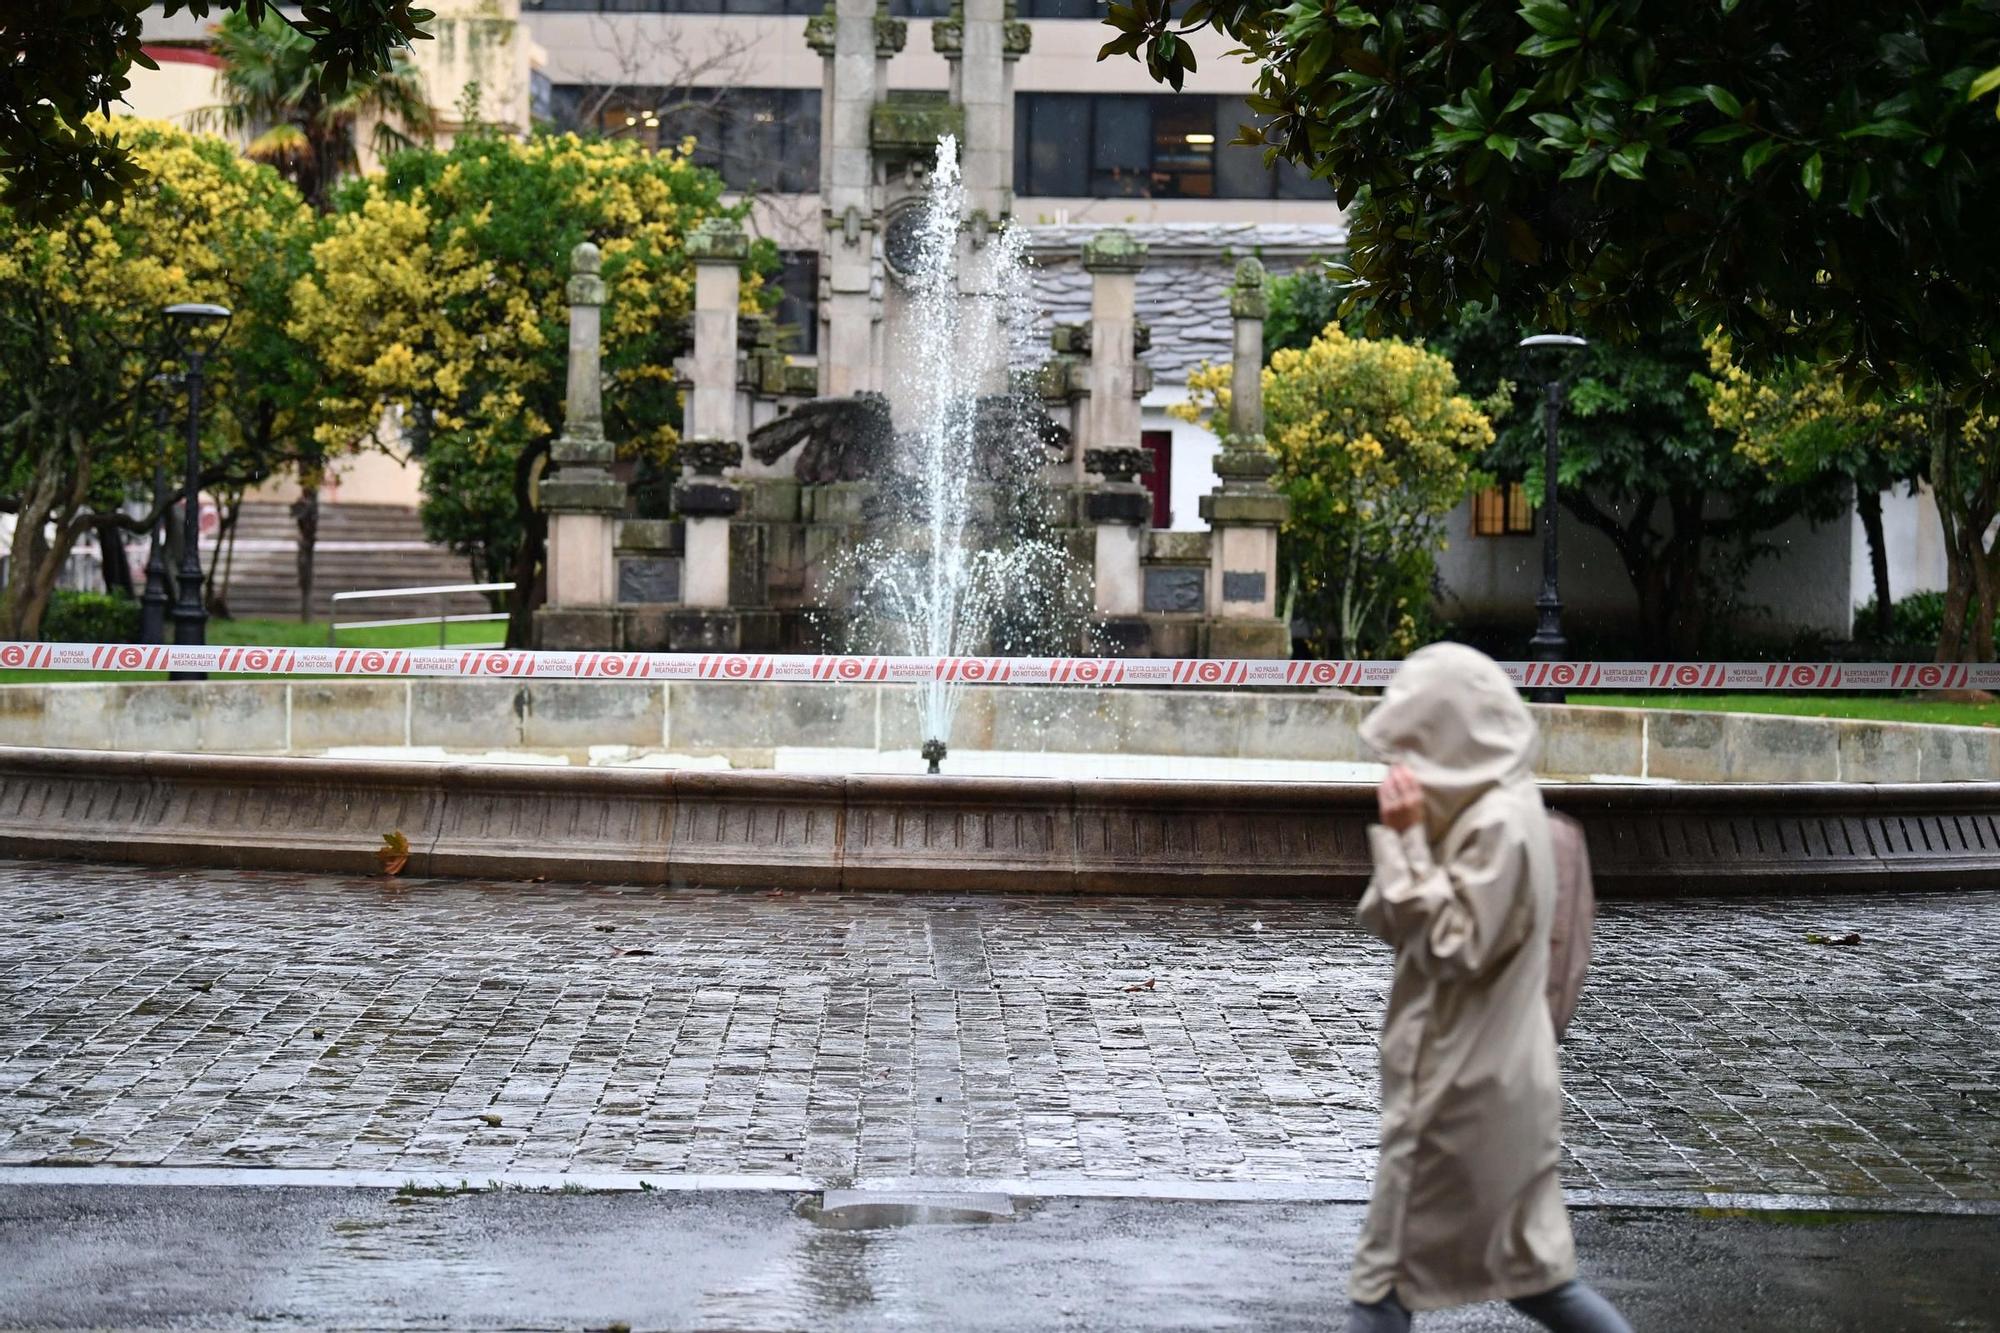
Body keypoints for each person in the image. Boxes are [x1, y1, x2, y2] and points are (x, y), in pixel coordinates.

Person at [1345, 643, 1632, 1333]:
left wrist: (1408, 839)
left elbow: (1451, 943)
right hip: (1489, 1084)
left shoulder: (1498, 824)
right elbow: (1395, 917)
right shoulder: (1489, 809)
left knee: (1384, 1280)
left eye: (1411, 746)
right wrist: (1411, 838)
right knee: (1535, 1276)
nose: (1397, 768)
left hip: (1461, 1093)